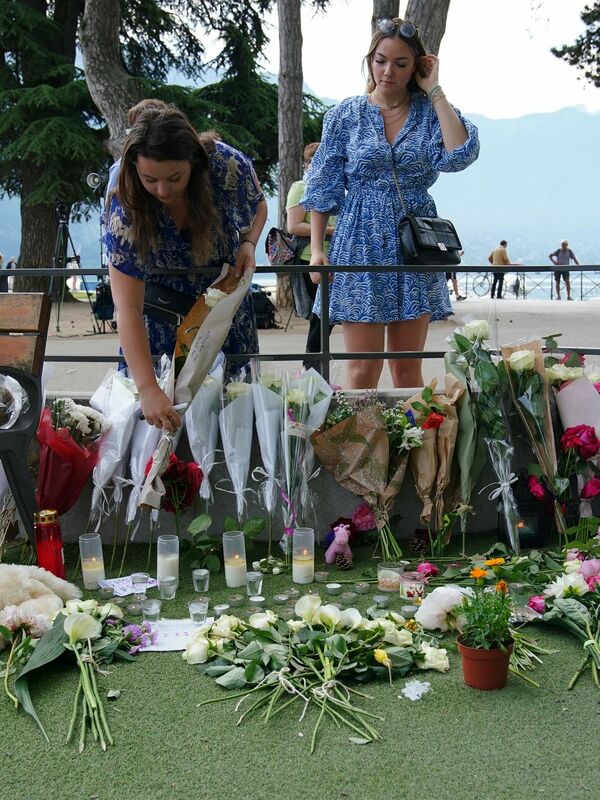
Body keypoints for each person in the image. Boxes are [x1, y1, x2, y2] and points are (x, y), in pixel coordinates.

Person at [302, 17, 479, 389]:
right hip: (359, 241)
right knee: (361, 369)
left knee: (406, 368)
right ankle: (362, 447)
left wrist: (435, 91)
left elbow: (460, 153)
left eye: (401, 63)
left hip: (413, 244)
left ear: (416, 66)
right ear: (370, 59)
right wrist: (318, 249)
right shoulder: (344, 116)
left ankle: (411, 446)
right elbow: (322, 185)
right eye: (381, 60)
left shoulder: (430, 113)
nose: (388, 71)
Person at [104, 105, 267, 432]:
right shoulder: (124, 200)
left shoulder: (227, 165)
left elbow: (258, 205)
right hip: (157, 326)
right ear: (134, 167)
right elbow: (127, 308)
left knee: (234, 424)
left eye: (175, 178)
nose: (163, 190)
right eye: (150, 179)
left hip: (223, 317)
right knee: (155, 436)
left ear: (194, 161)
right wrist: (148, 389)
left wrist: (248, 243)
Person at [286, 142, 336, 371]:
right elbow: (294, 226)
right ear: (306, 164)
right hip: (310, 258)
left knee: (327, 318)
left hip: (334, 259)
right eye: (313, 161)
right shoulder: (300, 187)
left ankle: (314, 369)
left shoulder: (334, 186)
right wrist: (330, 231)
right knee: (321, 317)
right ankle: (312, 369)